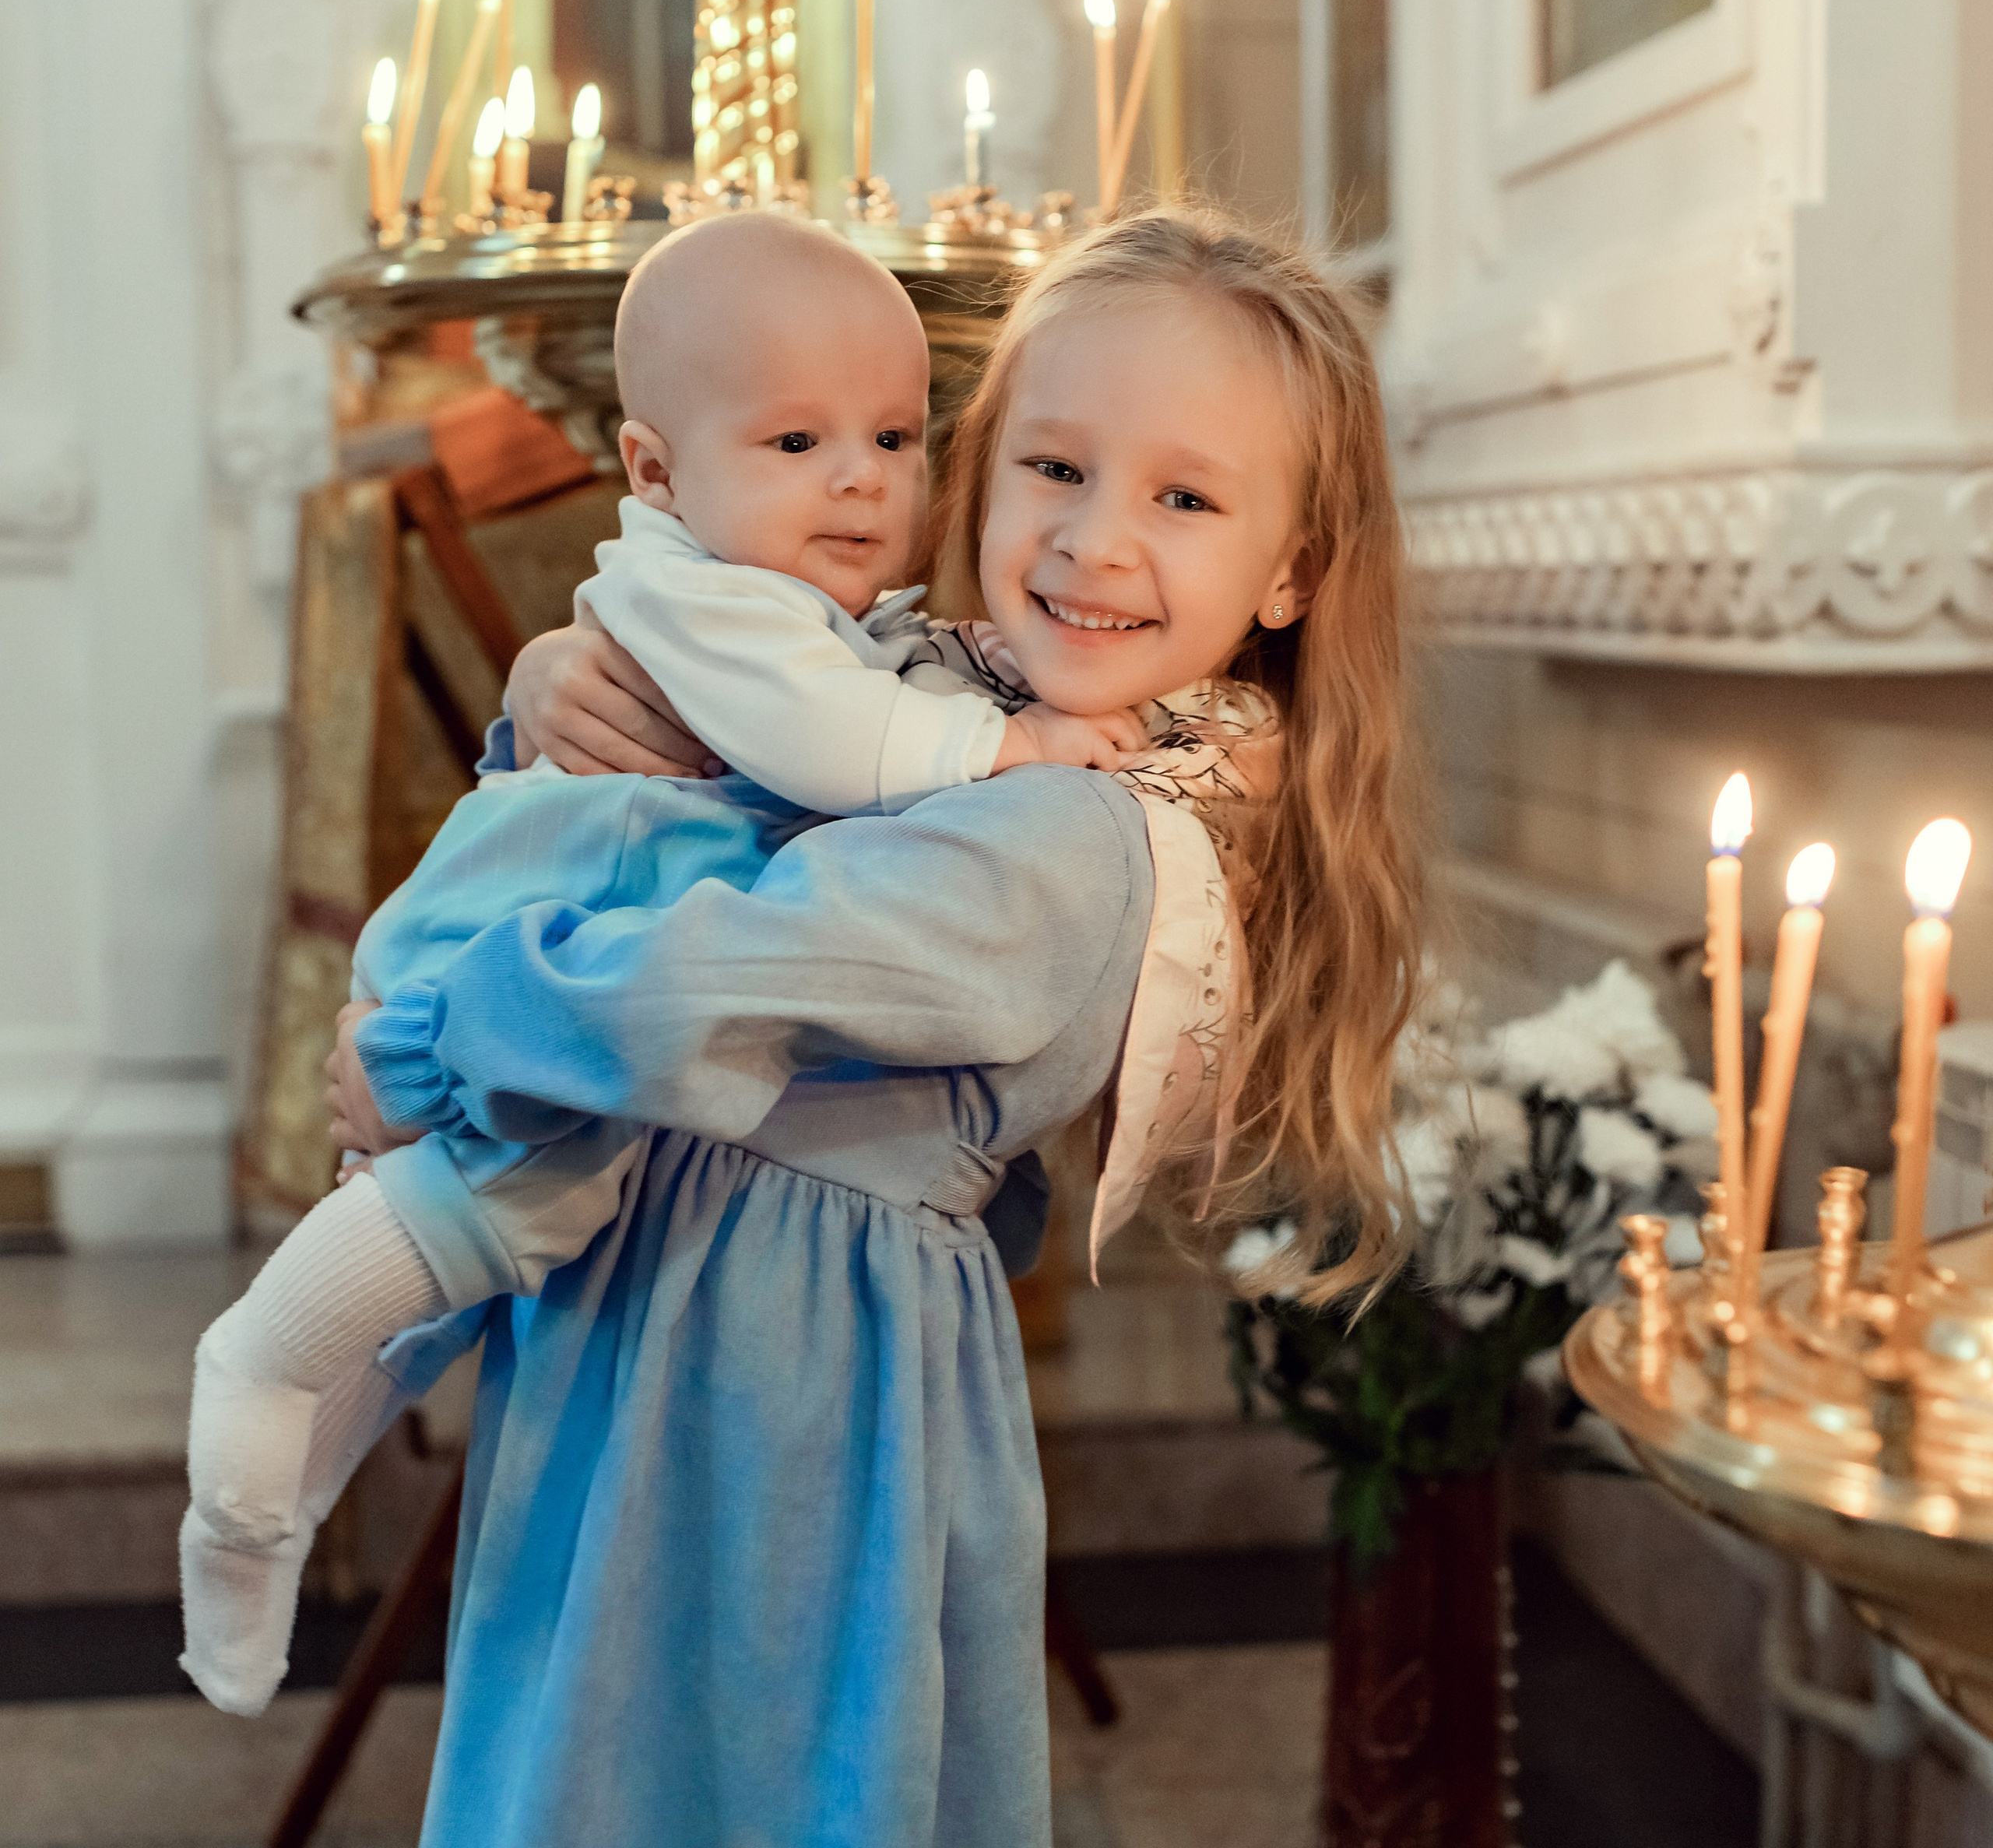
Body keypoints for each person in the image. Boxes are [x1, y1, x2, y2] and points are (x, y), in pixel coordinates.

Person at [189, 208, 1424, 1848]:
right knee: (590, 1738)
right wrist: (563, 679)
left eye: (1182, 497)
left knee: (728, 1770)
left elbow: (714, 974)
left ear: (1286, 570)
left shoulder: (1086, 831)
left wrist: (432, 1036)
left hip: (787, 1391)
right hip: (667, 1329)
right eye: (1053, 467)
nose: (1093, 541)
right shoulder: (947, 697)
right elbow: (718, 708)